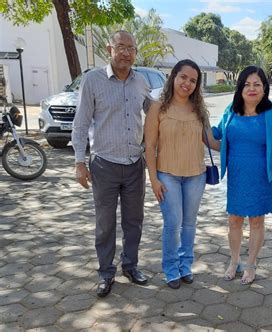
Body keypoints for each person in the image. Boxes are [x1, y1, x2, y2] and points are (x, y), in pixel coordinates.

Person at [72, 30, 150, 298]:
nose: (126, 53)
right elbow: (81, 123)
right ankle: (106, 273)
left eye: (131, 48)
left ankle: (131, 266)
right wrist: (79, 162)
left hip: (134, 165)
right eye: (121, 47)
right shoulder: (93, 80)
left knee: (134, 221)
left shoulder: (140, 82)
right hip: (104, 165)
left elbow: (154, 114)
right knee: (105, 223)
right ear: (110, 49)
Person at [212, 66, 272, 285]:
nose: (252, 88)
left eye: (257, 84)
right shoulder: (231, 110)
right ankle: (234, 261)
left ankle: (251, 264)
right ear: (240, 88)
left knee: (256, 221)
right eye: (247, 84)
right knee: (234, 220)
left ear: (265, 88)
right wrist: (193, 122)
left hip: (262, 176)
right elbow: (216, 133)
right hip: (237, 175)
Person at [144, 59, 213, 289]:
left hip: (196, 175)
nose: (187, 83)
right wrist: (153, 179)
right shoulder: (158, 107)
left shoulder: (199, 109)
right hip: (167, 175)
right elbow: (150, 145)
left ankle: (186, 265)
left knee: (190, 224)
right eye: (183, 77)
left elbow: (211, 140)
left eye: (193, 80)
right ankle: (171, 268)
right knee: (173, 223)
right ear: (173, 76)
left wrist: (241, 137)